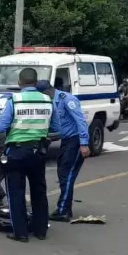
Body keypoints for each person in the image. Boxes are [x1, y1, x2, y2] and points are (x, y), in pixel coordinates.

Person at [0, 67, 53, 243]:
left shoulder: (15, 99)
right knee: (39, 191)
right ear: (36, 83)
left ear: (20, 82)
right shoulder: (47, 100)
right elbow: (54, 125)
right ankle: (40, 230)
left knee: (16, 192)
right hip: (38, 152)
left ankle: (20, 233)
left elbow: (0, 128)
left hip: (17, 151)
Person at [41, 79, 89, 222]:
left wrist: (84, 143)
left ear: (48, 91)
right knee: (63, 174)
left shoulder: (67, 99)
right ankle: (65, 209)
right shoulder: (50, 101)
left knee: (67, 175)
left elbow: (80, 121)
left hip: (75, 141)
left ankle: (63, 210)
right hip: (66, 140)